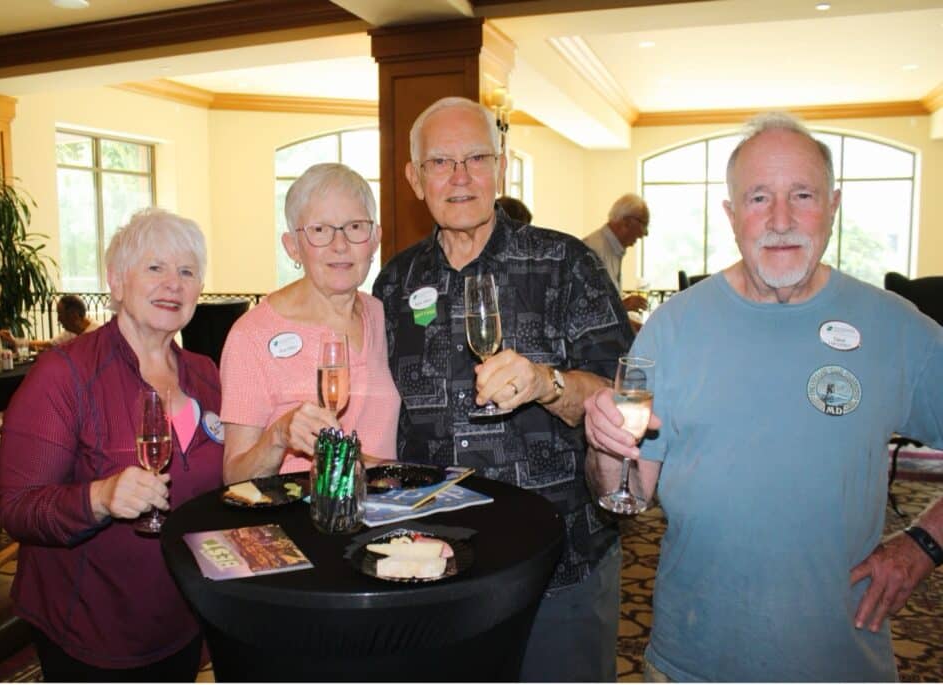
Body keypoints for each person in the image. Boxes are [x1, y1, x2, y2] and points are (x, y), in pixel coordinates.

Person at [584, 112, 943, 682]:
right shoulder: (673, 329)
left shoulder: (897, 329)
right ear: (731, 215)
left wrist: (924, 543)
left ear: (833, 204)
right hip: (691, 661)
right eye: (758, 198)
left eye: (802, 194)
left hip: (842, 662)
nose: (781, 219)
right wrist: (605, 447)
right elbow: (629, 492)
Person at [373, 96, 634, 682]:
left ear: (502, 167)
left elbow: (621, 394)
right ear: (415, 179)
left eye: (476, 158)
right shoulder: (395, 281)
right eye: (441, 162)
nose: (460, 177)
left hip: (559, 564)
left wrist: (547, 383)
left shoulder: (567, 264)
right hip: (436, 565)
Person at [0, 208, 223, 681]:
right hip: (91, 627)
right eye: (155, 268)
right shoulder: (65, 374)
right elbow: (18, 507)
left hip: (182, 613)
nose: (173, 284)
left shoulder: (206, 373)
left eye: (187, 272)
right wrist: (98, 497)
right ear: (116, 282)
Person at [220, 162, 400, 483]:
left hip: (385, 518)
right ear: (292, 247)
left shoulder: (384, 316)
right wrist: (278, 436)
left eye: (355, 227)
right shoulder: (252, 335)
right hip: (298, 522)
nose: (340, 245)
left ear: (375, 239)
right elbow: (234, 477)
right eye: (320, 230)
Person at [583, 193, 650, 313]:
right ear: (626, 222)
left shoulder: (611, 250)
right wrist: (624, 305)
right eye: (643, 224)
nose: (645, 233)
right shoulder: (594, 250)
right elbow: (586, 309)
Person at [0, 294, 100, 351]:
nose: (58, 320)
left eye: (60, 315)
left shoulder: (97, 335)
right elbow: (48, 345)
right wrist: (14, 341)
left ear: (74, 316)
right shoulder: (72, 330)